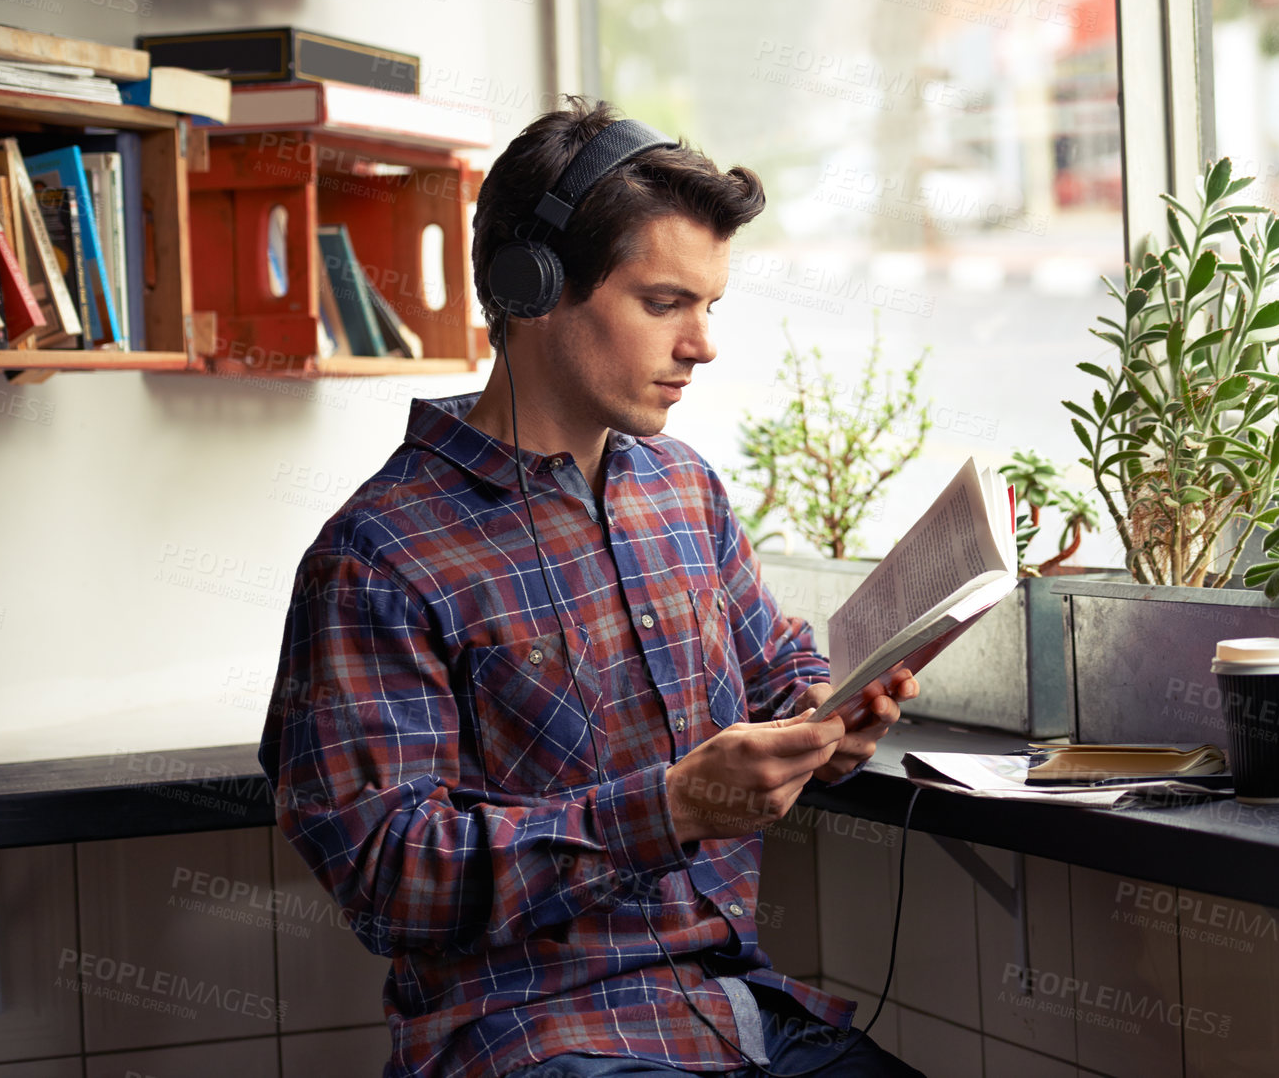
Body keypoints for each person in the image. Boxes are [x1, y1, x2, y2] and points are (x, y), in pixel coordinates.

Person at [260, 97, 926, 1078]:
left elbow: (776, 667)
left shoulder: (683, 490)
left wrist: (826, 720)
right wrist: (671, 807)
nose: (700, 345)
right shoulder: (378, 555)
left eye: (710, 308)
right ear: (531, 288)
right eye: (664, 304)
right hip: (531, 1040)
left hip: (734, 1013)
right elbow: (385, 878)